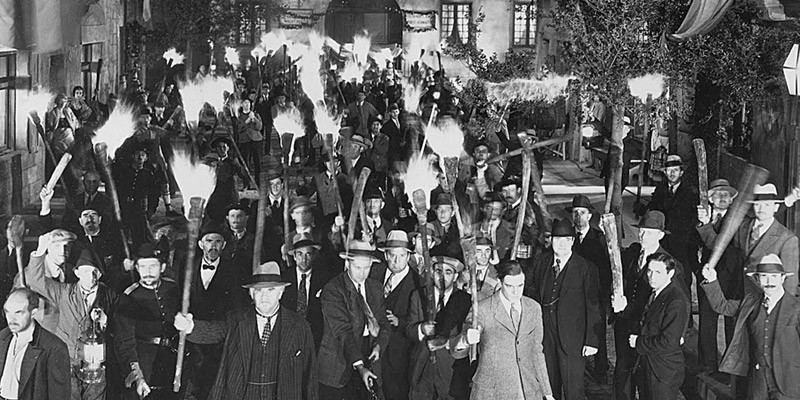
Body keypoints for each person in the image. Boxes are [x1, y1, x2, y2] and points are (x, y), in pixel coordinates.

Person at [199, 261, 317, 399]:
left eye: (270, 290)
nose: (264, 296)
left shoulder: (299, 326)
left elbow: (310, 376)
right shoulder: (236, 319)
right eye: (258, 290)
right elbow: (210, 332)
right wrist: (189, 326)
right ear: (251, 293)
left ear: (280, 292)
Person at [19, 247, 117, 400]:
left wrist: (105, 320)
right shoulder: (64, 292)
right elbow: (35, 280)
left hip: (95, 365)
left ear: (100, 274)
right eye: (86, 271)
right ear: (77, 273)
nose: (91, 277)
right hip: (68, 361)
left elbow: (121, 330)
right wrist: (39, 252)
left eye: (95, 272)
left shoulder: (110, 296)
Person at [701, 254, 800, 400]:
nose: (769, 282)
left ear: (782, 278)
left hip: (788, 381)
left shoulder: (796, 308)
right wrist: (712, 280)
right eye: (764, 276)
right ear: (757, 280)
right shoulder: (750, 303)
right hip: (758, 379)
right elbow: (722, 306)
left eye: (774, 276)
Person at [452, 261, 554, 400]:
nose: (516, 292)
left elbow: (537, 351)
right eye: (509, 286)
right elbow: (458, 349)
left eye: (520, 285)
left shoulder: (533, 308)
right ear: (500, 283)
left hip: (527, 390)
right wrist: (466, 339)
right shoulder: (482, 309)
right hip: (492, 392)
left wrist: (547, 392)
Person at [613, 211, 687, 400]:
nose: (643, 236)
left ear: (660, 235)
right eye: (642, 231)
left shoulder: (669, 264)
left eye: (650, 233)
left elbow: (681, 301)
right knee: (623, 375)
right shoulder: (633, 254)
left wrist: (679, 333)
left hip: (648, 332)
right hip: (626, 324)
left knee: (647, 381)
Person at [525, 218, 601, 400]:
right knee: (549, 387)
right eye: (558, 239)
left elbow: (593, 306)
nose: (562, 244)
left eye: (567, 240)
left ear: (573, 241)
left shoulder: (586, 267)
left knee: (573, 389)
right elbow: (530, 290)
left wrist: (591, 340)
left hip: (573, 338)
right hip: (545, 335)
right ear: (551, 240)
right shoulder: (541, 262)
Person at [179, 227, 246, 400]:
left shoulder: (233, 269)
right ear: (201, 244)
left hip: (219, 341)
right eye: (209, 241)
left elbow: (238, 304)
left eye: (218, 241)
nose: (213, 246)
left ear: (224, 245)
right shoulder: (187, 267)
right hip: (192, 339)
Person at [318, 240, 391, 400]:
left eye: (366, 268)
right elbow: (343, 331)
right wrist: (360, 367)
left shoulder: (375, 288)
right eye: (357, 267)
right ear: (347, 264)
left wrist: (379, 346)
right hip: (338, 363)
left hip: (368, 353)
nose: (362, 273)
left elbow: (384, 323)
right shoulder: (333, 289)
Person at [697, 183, 799, 296]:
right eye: (757, 204)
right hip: (737, 294)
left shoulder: (787, 238)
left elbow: (790, 281)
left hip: (763, 298)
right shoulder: (742, 226)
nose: (761, 209)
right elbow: (717, 246)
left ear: (776, 207)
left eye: (767, 204)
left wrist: (784, 305)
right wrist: (705, 224)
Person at [114, 243, 184, 400]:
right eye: (143, 266)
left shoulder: (172, 288)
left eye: (153, 266)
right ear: (137, 269)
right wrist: (138, 376)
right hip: (144, 363)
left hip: (172, 361)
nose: (148, 272)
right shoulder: (129, 297)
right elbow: (124, 342)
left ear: (163, 267)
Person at [694, 179, 743, 373]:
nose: (722, 198)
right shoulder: (700, 218)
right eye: (717, 194)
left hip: (732, 278)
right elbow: (691, 245)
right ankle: (708, 365)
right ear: (710, 199)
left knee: (732, 323)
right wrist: (697, 268)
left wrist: (705, 226)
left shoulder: (738, 220)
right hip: (707, 277)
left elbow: (720, 247)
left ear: (731, 200)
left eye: (726, 194)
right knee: (706, 322)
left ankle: (730, 367)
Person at [407, 255, 471, 400]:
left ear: (455, 277)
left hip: (450, 369)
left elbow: (466, 335)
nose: (442, 277)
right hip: (421, 367)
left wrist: (447, 342)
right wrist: (421, 329)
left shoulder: (464, 300)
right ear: (431, 273)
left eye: (448, 272)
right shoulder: (418, 295)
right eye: (438, 271)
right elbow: (408, 330)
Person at [628, 253, 690, 400]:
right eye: (649, 271)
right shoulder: (656, 293)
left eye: (658, 272)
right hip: (650, 366)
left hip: (663, 371)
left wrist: (638, 342)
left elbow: (668, 342)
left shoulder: (675, 301)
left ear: (671, 274)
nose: (652, 276)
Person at [371, 231, 423, 400]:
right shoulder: (373, 272)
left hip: (398, 353)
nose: (396, 260)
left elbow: (420, 321)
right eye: (392, 255)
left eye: (401, 256)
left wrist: (399, 321)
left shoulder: (418, 283)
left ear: (408, 256)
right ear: (386, 255)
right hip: (371, 346)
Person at [645, 155, 699, 312]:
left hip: (683, 246)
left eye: (675, 170)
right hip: (663, 244)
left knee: (683, 281)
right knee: (661, 278)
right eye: (669, 170)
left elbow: (694, 220)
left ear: (681, 172)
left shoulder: (690, 192)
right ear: (665, 172)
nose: (672, 173)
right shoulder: (660, 190)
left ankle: (686, 318)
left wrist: (691, 244)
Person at [568, 195, 612, 381]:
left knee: (596, 330)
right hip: (572, 294)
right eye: (575, 212)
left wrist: (604, 293)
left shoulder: (600, 238)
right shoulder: (567, 237)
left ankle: (601, 370)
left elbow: (607, 268)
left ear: (589, 216)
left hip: (594, 293)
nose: (579, 216)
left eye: (582, 212)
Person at [0, 288, 70, 400]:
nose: (11, 319)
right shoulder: (3, 336)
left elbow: (58, 396)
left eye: (18, 312)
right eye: (8, 312)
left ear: (33, 312)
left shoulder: (54, 347)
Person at [280, 233, 336, 349]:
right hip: (288, 335)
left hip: (315, 336)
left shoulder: (324, 279)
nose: (304, 259)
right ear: (294, 256)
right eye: (300, 254)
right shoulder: (284, 278)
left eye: (308, 254)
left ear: (314, 255)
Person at [497, 175, 545, 260]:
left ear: (519, 190)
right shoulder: (505, 209)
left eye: (511, 190)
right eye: (504, 191)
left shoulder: (528, 209)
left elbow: (533, 234)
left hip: (522, 256)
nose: (508, 194)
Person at [205, 138, 249, 225]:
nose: (222, 150)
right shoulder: (212, 162)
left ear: (228, 148)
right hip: (215, 196)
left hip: (229, 195)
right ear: (216, 149)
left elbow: (244, 176)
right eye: (219, 147)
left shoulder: (233, 162)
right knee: (215, 218)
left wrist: (245, 186)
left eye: (224, 147)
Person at [236, 98, 264, 187]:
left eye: (248, 103)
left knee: (258, 163)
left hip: (256, 140)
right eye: (245, 103)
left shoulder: (255, 114)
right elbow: (239, 128)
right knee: (245, 163)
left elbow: (259, 127)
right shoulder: (239, 116)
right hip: (245, 141)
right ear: (241, 105)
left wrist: (254, 118)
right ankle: (246, 184)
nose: (247, 104)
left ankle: (258, 183)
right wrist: (247, 121)